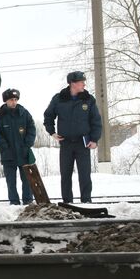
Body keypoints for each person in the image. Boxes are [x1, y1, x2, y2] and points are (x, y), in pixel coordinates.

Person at [43, 71, 102, 203]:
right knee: (65, 175)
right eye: (82, 82)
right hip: (66, 143)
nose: (84, 84)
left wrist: (94, 139)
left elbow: (96, 121)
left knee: (85, 175)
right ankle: (67, 202)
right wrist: (52, 132)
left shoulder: (88, 99)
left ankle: (86, 201)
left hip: (83, 143)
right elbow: (48, 116)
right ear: (73, 84)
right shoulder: (58, 99)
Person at [0, 88, 36, 205]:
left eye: (15, 99)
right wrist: (4, 145)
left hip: (23, 152)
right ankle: (14, 202)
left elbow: (31, 129)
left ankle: (28, 200)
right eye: (11, 100)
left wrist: (27, 144)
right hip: (8, 153)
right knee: (11, 181)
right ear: (6, 101)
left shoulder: (24, 113)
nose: (14, 102)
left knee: (26, 179)